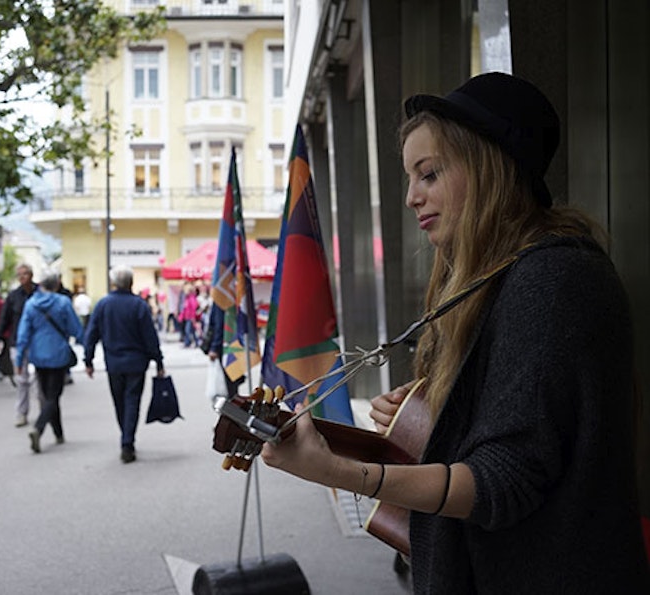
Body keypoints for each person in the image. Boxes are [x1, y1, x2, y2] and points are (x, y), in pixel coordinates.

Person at [260, 72, 650, 592]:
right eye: (410, 178)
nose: (411, 198)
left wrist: (334, 471)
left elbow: (501, 481)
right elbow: (517, 423)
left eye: (430, 174)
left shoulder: (552, 280)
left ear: (490, 169)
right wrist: (431, 415)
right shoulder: (504, 277)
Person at [84, 265, 165, 463]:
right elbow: (150, 337)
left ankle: (126, 438)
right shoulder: (139, 305)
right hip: (137, 364)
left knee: (119, 402)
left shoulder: (103, 304)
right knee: (132, 402)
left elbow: (91, 334)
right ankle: (127, 441)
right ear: (131, 283)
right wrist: (158, 361)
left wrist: (89, 359)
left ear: (113, 282)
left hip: (114, 364)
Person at [15, 273, 83, 453]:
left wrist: (19, 358)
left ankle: (59, 434)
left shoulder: (30, 304)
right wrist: (86, 345)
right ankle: (38, 428)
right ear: (57, 284)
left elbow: (23, 333)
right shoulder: (62, 303)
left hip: (38, 355)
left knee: (48, 395)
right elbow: (75, 328)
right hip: (58, 354)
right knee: (53, 396)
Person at [0, 263, 38, 427]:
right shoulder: (13, 296)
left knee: (40, 377)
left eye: (25, 274)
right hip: (17, 341)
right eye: (19, 275)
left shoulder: (39, 293)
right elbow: (4, 319)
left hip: (37, 340)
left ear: (31, 275)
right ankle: (21, 412)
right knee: (21, 379)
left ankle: (44, 409)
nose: (22, 278)